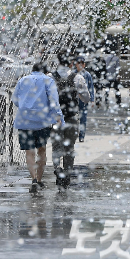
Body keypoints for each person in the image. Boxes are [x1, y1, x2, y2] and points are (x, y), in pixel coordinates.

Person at [12, 62, 64, 193]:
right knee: (42, 150)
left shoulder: (22, 80)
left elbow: (15, 99)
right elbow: (54, 100)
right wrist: (58, 117)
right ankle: (40, 181)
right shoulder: (48, 80)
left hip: (24, 121)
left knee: (29, 152)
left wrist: (25, 107)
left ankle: (33, 179)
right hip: (41, 121)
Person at [51, 55, 90, 190]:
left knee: (56, 147)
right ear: (71, 63)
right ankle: (67, 174)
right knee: (69, 147)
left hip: (56, 118)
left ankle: (57, 169)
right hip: (72, 117)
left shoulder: (50, 77)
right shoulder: (77, 77)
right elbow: (86, 98)